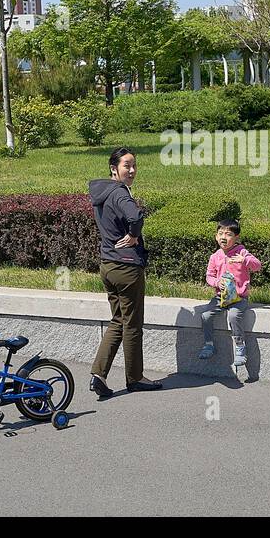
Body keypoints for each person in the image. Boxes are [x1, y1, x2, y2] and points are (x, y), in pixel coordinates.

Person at [87, 148, 163, 400]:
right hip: (127, 267)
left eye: (134, 166)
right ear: (114, 168)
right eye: (126, 166)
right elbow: (135, 216)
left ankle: (98, 375)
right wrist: (133, 235)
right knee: (132, 324)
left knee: (118, 320)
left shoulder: (103, 192)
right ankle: (135, 378)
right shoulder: (120, 193)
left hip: (107, 265)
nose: (131, 171)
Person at [196, 219, 262, 367]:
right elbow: (209, 276)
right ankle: (208, 344)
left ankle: (240, 347)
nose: (223, 237)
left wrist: (244, 260)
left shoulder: (242, 252)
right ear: (216, 236)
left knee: (233, 316)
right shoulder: (215, 256)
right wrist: (216, 282)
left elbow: (257, 266)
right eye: (220, 234)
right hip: (220, 297)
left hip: (239, 298)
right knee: (205, 315)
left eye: (228, 234)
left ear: (236, 237)